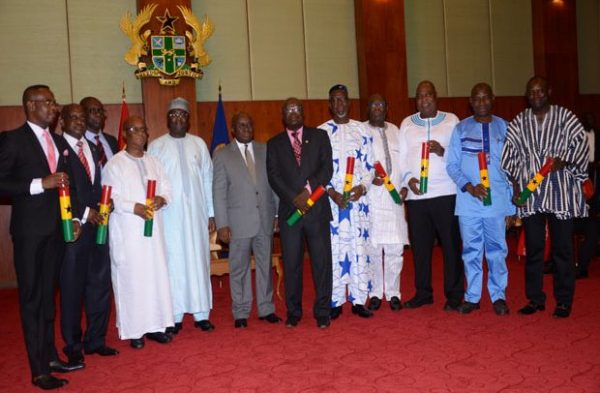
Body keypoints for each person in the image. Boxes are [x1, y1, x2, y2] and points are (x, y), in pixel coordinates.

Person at [0, 85, 82, 390]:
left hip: (56, 232)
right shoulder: (12, 140)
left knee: (49, 299)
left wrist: (72, 218)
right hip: (29, 234)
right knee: (32, 300)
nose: (54, 107)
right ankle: (37, 370)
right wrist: (39, 183)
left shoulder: (59, 142)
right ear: (31, 106)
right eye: (48, 102)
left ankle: (49, 357)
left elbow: (68, 186)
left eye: (54, 102)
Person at [501, 76, 588, 318]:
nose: (536, 95)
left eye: (540, 91)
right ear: (526, 94)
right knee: (534, 249)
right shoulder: (520, 121)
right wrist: (517, 187)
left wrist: (567, 160)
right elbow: (509, 156)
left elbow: (581, 145)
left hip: (560, 192)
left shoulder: (565, 117)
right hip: (532, 195)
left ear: (548, 91)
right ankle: (535, 299)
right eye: (531, 92)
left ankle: (563, 300)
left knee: (562, 250)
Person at [102, 115, 174, 347]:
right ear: (125, 134)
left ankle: (156, 326)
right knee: (133, 279)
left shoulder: (154, 161)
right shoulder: (115, 163)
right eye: (136, 130)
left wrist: (162, 199)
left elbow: (166, 186)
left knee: (155, 277)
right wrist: (135, 207)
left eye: (144, 130)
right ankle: (134, 330)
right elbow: (111, 197)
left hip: (153, 234)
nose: (141, 134)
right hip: (129, 230)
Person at [147, 97, 216, 334]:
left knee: (199, 259)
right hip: (169, 214)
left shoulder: (198, 144)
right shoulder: (156, 146)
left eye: (182, 115)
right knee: (173, 262)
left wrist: (211, 213)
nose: (178, 118)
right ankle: (174, 315)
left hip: (197, 213)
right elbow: (151, 181)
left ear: (188, 120)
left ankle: (201, 313)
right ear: (167, 119)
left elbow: (208, 179)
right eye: (173, 114)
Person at [446, 83, 514, 316]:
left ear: (493, 99)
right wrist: (469, 187)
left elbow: (513, 169)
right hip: (468, 202)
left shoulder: (505, 127)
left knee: (497, 250)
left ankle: (498, 295)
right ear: (471, 101)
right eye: (477, 98)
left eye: (486, 98)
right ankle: (473, 296)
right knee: (471, 250)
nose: (482, 102)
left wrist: (511, 205)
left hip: (497, 202)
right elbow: (452, 165)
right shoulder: (461, 129)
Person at [58, 104, 118, 368]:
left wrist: (107, 204)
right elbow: (60, 190)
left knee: (100, 285)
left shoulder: (93, 149)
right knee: (72, 290)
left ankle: (96, 340)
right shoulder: (57, 149)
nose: (80, 122)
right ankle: (73, 345)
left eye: (82, 118)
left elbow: (97, 187)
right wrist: (84, 213)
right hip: (74, 230)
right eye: (73, 117)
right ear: (62, 121)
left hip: (99, 229)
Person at [267, 97, 333, 329]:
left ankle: (323, 311)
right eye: (289, 110)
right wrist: (293, 198)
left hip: (317, 210)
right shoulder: (273, 144)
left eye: (297, 109)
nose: (294, 113)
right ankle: (294, 312)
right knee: (292, 264)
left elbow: (327, 169)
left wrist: (307, 191)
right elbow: (273, 176)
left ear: (303, 112)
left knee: (321, 263)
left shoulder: (319, 137)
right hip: (290, 213)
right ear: (283, 115)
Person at [398, 80, 464, 311]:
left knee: (451, 246)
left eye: (428, 95)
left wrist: (443, 152)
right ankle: (423, 292)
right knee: (421, 248)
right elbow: (402, 159)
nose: (424, 99)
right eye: (419, 96)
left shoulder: (451, 120)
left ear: (436, 97)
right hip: (417, 198)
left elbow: (460, 157)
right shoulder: (407, 123)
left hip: (446, 193)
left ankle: (454, 294)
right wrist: (408, 179)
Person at [213, 112, 281, 328]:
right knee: (239, 267)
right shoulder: (223, 156)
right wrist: (222, 224)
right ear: (233, 130)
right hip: (238, 222)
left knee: (264, 266)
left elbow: (274, 184)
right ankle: (241, 311)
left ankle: (266, 308)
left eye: (249, 125)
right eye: (241, 125)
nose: (246, 129)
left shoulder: (266, 149)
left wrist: (277, 213)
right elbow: (219, 192)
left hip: (265, 218)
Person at [318, 84, 375, 320]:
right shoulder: (321, 132)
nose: (339, 104)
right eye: (335, 100)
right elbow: (318, 170)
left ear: (349, 102)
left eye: (343, 100)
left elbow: (371, 166)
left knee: (359, 250)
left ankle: (360, 299)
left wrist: (362, 186)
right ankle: (336, 300)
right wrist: (331, 192)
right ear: (330, 105)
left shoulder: (361, 130)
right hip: (332, 203)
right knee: (334, 250)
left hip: (357, 203)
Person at [362, 94, 409, 312]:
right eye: (373, 105)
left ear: (387, 108)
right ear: (368, 109)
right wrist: (371, 179)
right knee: (373, 248)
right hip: (372, 197)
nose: (377, 108)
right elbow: (357, 166)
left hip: (395, 199)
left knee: (395, 248)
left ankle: (393, 293)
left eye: (381, 104)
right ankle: (374, 293)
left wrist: (406, 184)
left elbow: (407, 162)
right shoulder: (360, 132)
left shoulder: (396, 131)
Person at [81, 97, 118, 165]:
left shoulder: (112, 141)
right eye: (92, 110)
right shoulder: (79, 142)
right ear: (83, 114)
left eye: (100, 110)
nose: (98, 114)